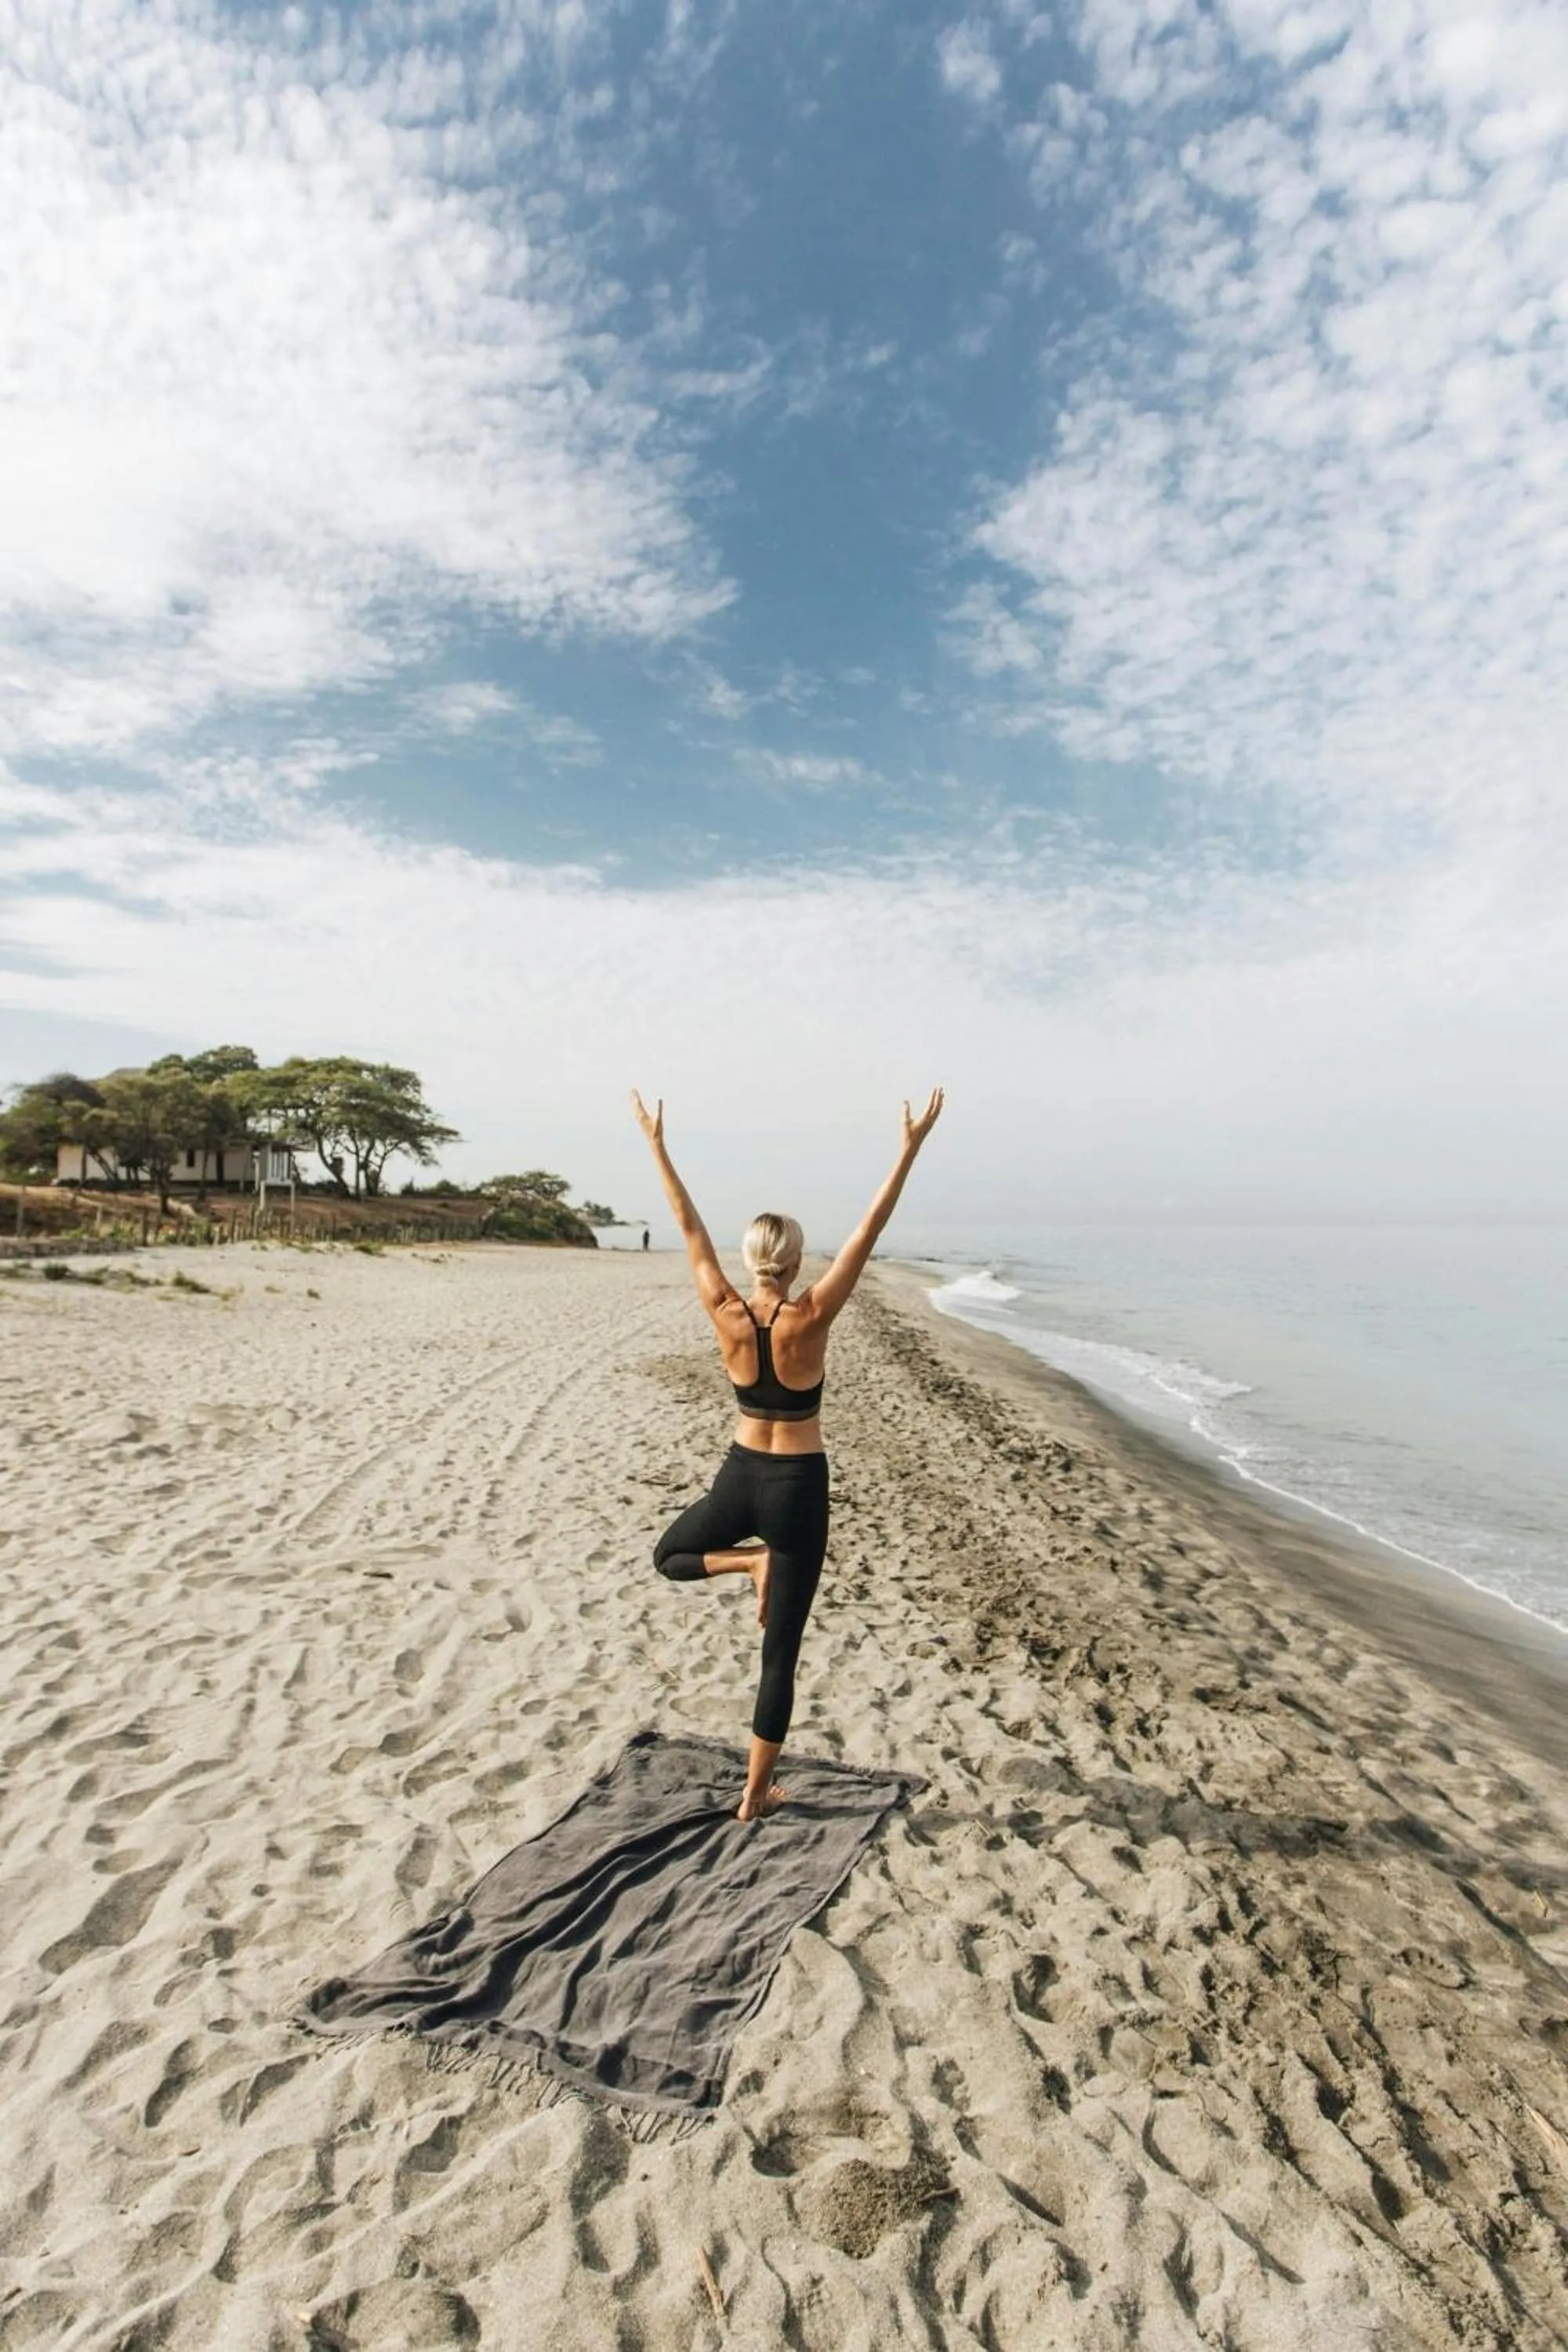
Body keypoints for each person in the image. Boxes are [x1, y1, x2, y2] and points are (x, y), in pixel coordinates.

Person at [631, 1086, 946, 1821]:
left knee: (669, 1556)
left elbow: (686, 1226)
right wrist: (909, 1148)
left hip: (739, 1478)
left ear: (750, 1260)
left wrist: (656, 1144)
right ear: (799, 1260)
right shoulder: (813, 1312)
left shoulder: (724, 1308)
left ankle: (746, 1562)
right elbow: (871, 1229)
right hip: (798, 1487)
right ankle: (753, 1793)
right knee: (782, 1655)